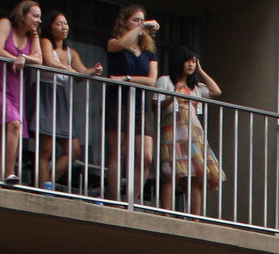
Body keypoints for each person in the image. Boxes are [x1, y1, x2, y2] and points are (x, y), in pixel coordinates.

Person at [34, 11, 101, 191]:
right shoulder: (45, 42)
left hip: (60, 97)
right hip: (46, 92)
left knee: (74, 148)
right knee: (46, 149)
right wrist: (70, 70)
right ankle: (43, 188)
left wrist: (93, 71)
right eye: (59, 24)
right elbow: (49, 61)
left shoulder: (71, 52)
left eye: (65, 24)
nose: (64, 27)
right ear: (50, 27)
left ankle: (48, 180)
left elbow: (80, 73)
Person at [0, 1, 44, 187]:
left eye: (40, 17)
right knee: (15, 125)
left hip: (16, 87)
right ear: (23, 15)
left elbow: (39, 59)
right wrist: (17, 59)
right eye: (35, 16)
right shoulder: (5, 24)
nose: (38, 21)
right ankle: (10, 172)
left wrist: (24, 58)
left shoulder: (34, 36)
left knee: (7, 134)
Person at [104, 5, 160, 202]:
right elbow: (119, 44)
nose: (140, 24)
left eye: (142, 20)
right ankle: (116, 198)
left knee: (146, 156)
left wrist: (126, 78)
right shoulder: (114, 43)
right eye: (135, 20)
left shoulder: (148, 51)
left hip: (139, 104)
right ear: (125, 21)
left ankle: (132, 199)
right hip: (117, 101)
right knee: (120, 151)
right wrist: (141, 26)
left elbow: (151, 80)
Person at [158, 45, 221, 209]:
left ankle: (195, 219)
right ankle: (166, 214)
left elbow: (216, 91)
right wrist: (173, 97)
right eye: (188, 61)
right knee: (170, 173)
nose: (191, 65)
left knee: (194, 176)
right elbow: (156, 107)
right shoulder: (165, 81)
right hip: (173, 131)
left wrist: (200, 71)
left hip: (193, 133)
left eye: (194, 61)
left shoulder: (196, 87)